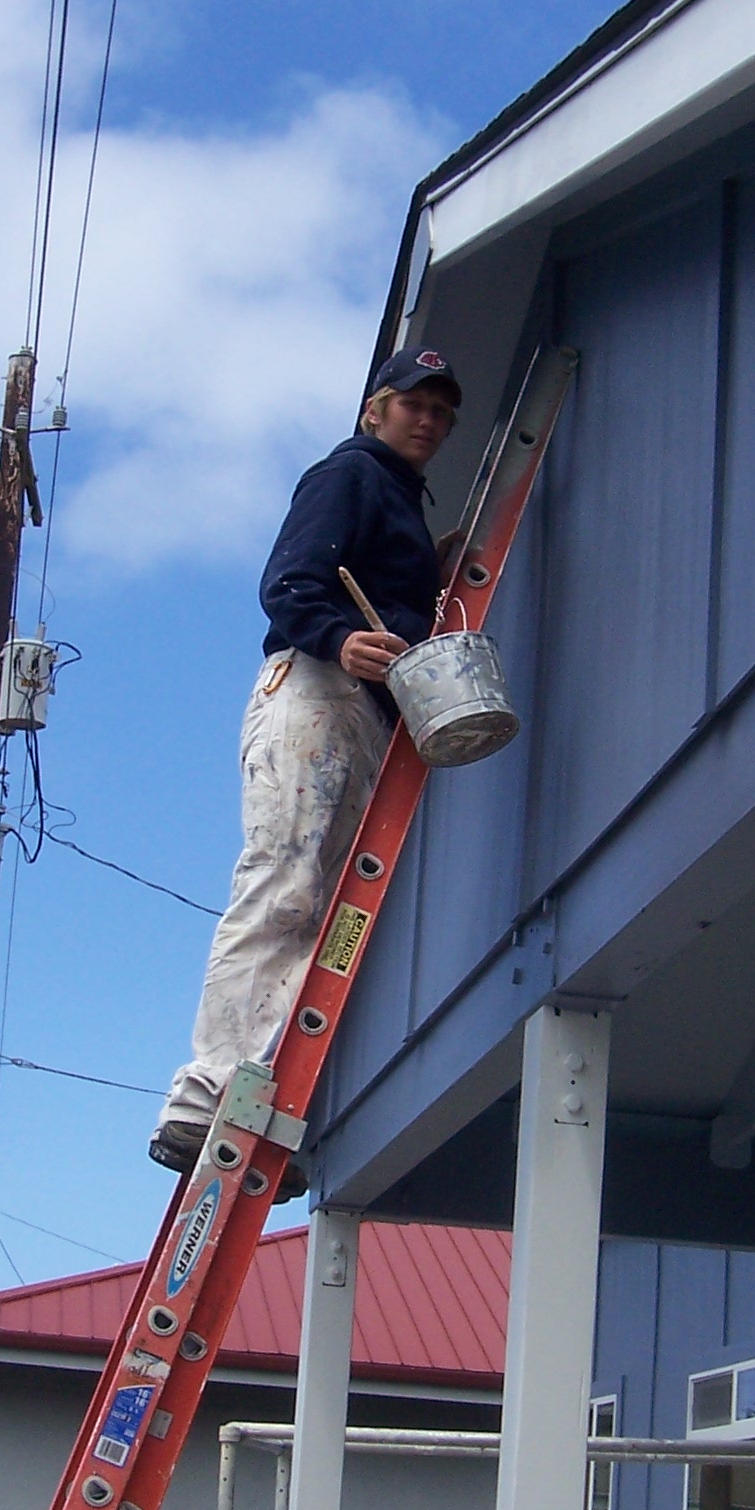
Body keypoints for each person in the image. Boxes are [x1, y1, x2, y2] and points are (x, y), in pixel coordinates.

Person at [148, 349, 462, 1195]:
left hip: (365, 711)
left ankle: (264, 1091)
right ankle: (206, 1089)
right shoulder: (350, 474)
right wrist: (336, 637)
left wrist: (434, 572)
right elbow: (289, 580)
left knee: (327, 910)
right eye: (414, 405)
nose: (427, 421)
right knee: (285, 880)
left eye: (442, 412)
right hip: (317, 688)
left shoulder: (399, 502)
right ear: (375, 411)